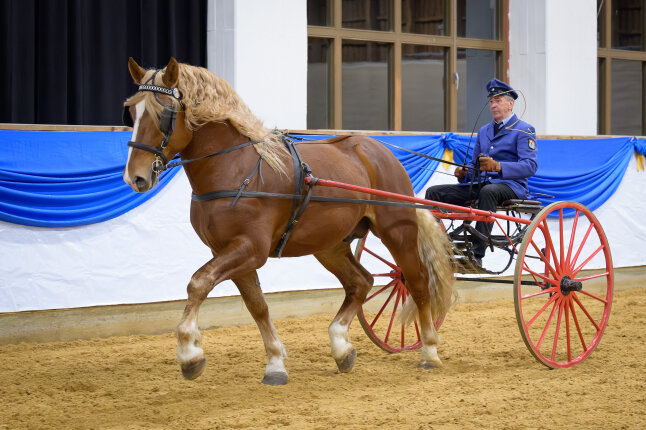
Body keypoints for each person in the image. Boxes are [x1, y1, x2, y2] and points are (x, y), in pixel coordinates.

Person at [425, 78, 538, 266]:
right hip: (482, 184)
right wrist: (464, 173)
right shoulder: (484, 131)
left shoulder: (524, 130)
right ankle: (433, 246)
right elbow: (474, 166)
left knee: (488, 192)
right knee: (434, 192)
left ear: (511, 103)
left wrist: (498, 167)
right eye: (491, 101)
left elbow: (530, 166)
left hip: (511, 186)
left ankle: (477, 254)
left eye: (498, 100)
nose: (493, 105)